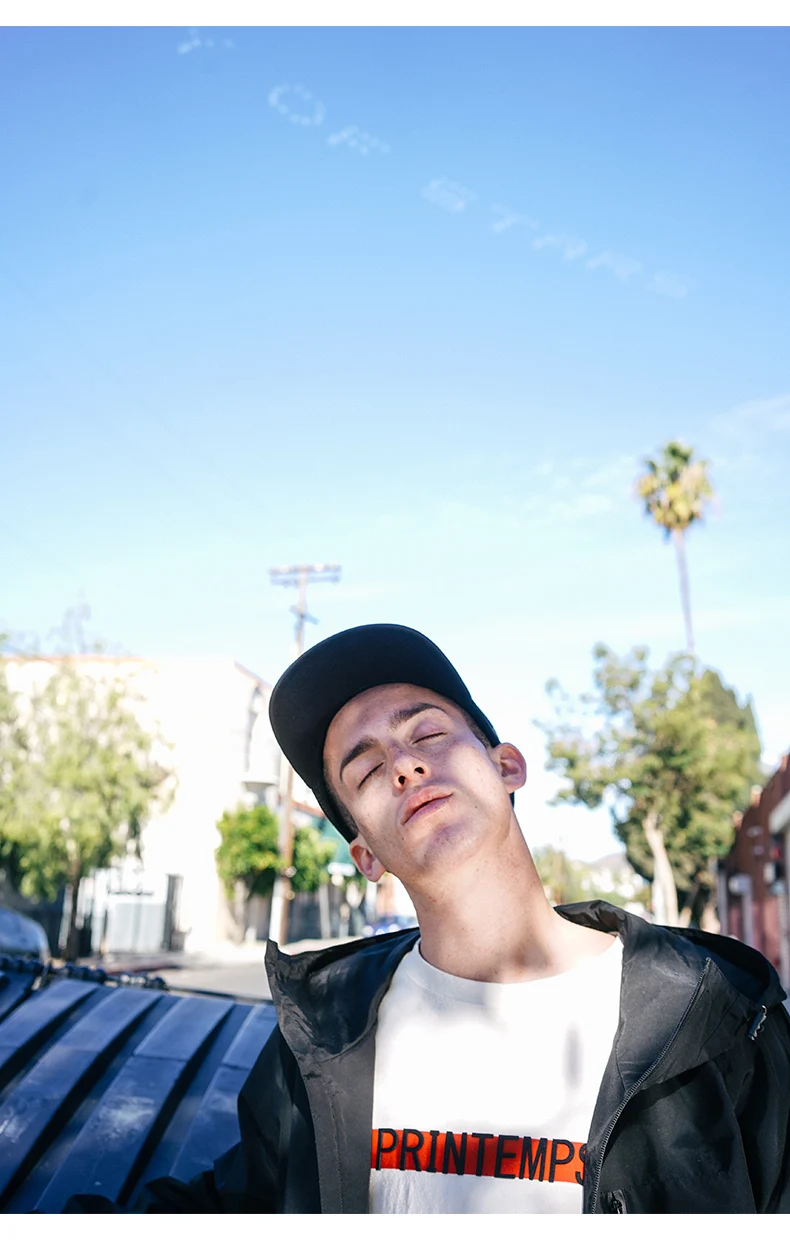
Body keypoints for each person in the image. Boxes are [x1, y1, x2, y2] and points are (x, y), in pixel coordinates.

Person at [76, 624, 790, 1214]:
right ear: (365, 853)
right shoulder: (324, 1037)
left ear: (506, 766)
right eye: (365, 770)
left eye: (428, 734)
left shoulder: (717, 1015)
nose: (404, 767)